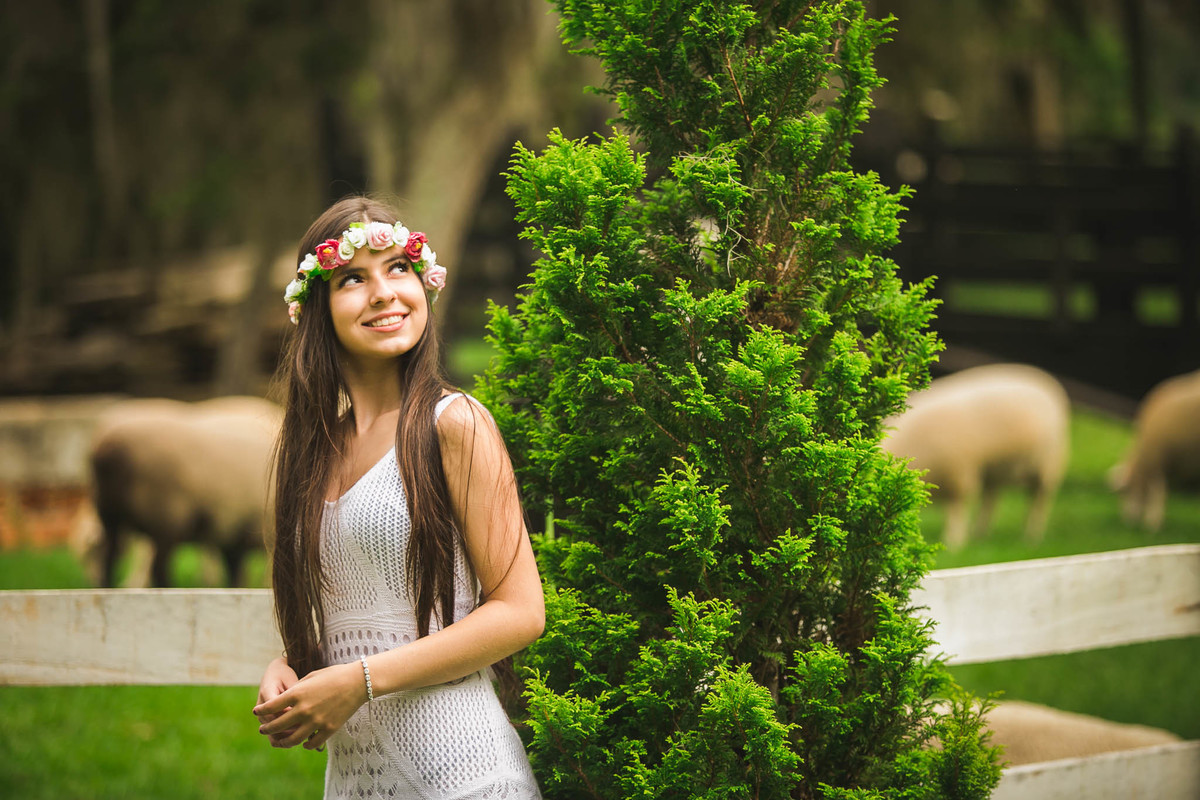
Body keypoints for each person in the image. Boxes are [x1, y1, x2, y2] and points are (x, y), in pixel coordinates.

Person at [253, 196, 545, 799]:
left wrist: (359, 681)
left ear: (423, 285)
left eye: (398, 269)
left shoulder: (455, 424)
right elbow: (364, 604)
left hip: (465, 774)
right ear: (316, 309)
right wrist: (296, 664)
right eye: (353, 278)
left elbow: (520, 612)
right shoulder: (312, 449)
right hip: (357, 783)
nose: (383, 292)